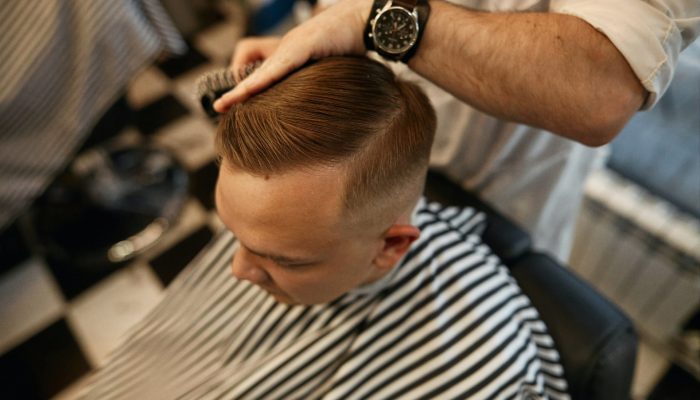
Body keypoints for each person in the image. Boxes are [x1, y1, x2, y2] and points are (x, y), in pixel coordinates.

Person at [79, 57, 568, 399]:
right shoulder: (286, 229)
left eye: (284, 260)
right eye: (234, 233)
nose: (238, 270)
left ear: (391, 246)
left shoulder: (478, 374)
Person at [212, 0, 700, 261]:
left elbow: (598, 87)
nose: (238, 270)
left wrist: (375, 19)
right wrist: (318, 31)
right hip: (346, 207)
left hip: (496, 195)